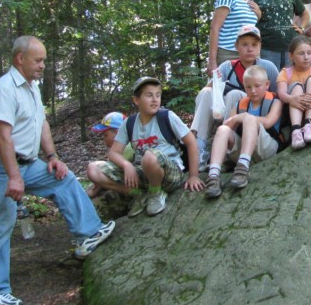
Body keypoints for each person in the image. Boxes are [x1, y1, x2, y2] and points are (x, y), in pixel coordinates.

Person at [0, 36, 115, 305]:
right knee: (0, 221)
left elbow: (42, 124)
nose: (43, 66)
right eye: (38, 60)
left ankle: (87, 234)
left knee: (63, 178)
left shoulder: (32, 87)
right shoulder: (4, 89)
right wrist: (14, 177)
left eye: (44, 61)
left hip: (27, 162)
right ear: (20, 59)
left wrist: (52, 157)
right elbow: (3, 137)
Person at [103, 76, 205, 218]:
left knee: (149, 156)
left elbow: (191, 141)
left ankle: (156, 193)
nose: (155, 99)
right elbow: (114, 153)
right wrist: (127, 165)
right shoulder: (129, 123)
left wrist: (194, 176)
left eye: (158, 95)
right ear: (136, 100)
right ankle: (139, 195)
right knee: (94, 170)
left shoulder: (167, 116)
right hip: (143, 172)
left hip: (170, 172)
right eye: (149, 95)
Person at [191, 25, 279, 167]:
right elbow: (208, 91)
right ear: (236, 46)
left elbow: (277, 94)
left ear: (259, 47)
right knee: (206, 92)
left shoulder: (268, 67)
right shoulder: (227, 67)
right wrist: (215, 84)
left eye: (254, 45)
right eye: (245, 44)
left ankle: (226, 149)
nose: (249, 49)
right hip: (223, 113)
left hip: (253, 121)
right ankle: (199, 147)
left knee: (235, 94)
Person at [204, 66, 284, 199]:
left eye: (257, 86)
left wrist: (243, 117)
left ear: (267, 85)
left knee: (249, 118)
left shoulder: (276, 102)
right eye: (248, 87)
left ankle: (242, 168)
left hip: (267, 149)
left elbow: (268, 122)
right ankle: (213, 175)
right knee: (222, 130)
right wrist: (237, 118)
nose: (253, 91)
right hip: (244, 151)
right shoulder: (240, 104)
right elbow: (228, 126)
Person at [208, 0, 267, 74]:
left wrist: (259, 14)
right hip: (229, 54)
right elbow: (215, 28)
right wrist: (212, 62)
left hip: (250, 54)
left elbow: (246, 24)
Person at [253, 0, 310, 70]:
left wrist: (302, 28)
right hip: (266, 48)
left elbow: (305, 13)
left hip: (290, 48)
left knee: (291, 79)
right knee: (270, 79)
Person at [276, 35, 311, 150]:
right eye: (301, 53)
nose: (306, 57)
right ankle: (295, 131)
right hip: (292, 114)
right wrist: (291, 99)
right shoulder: (285, 72)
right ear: (291, 56)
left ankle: (309, 125)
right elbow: (281, 93)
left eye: (309, 53)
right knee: (297, 86)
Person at [86, 111, 131, 198]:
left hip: (132, 183)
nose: (104, 140)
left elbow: (106, 174)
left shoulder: (127, 148)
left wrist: (94, 191)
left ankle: (130, 191)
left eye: (105, 135)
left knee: (93, 169)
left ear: (118, 132)